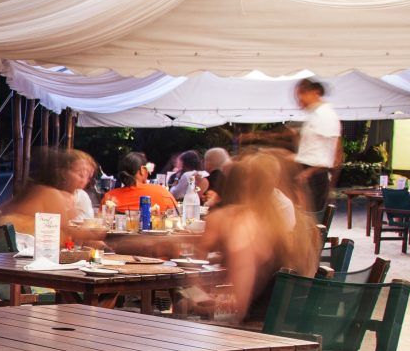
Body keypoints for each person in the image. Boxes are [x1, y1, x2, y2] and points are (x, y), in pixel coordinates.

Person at [196, 150, 320, 323]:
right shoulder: (278, 220)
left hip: (256, 330)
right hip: (283, 324)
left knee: (181, 315)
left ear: (246, 183)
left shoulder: (246, 228)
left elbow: (238, 308)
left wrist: (195, 303)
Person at [293, 77, 342, 215]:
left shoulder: (325, 115)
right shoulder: (315, 115)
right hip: (307, 173)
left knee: (310, 222)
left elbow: (334, 154)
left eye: (301, 96)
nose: (299, 102)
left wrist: (308, 172)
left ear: (314, 93)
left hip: (315, 176)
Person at [101, 151, 178, 219]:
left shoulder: (109, 197)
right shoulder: (161, 192)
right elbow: (177, 218)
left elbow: (101, 225)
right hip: (153, 235)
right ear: (142, 170)